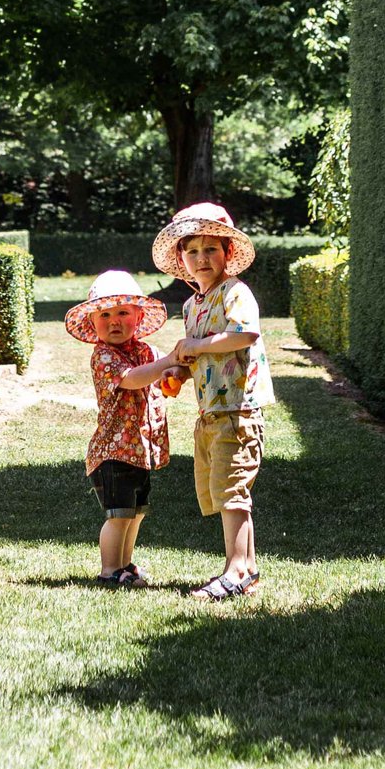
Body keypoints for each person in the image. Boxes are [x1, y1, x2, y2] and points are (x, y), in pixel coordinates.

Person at [151, 201, 275, 601]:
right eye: (192, 251)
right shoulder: (192, 305)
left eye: (210, 249)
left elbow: (244, 336)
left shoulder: (234, 292)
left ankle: (236, 571)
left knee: (232, 490)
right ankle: (248, 569)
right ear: (181, 259)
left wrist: (197, 345)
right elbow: (199, 355)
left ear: (226, 253)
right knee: (222, 491)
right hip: (210, 410)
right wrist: (179, 371)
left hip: (238, 408)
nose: (201, 258)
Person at [64, 269, 176, 587]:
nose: (114, 321)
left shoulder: (146, 351)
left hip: (139, 450)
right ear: (93, 322)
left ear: (138, 316)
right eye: (105, 314)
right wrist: (166, 362)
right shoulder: (103, 356)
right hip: (113, 451)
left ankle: (126, 564)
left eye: (123, 312)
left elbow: (160, 378)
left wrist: (173, 373)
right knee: (119, 514)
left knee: (136, 512)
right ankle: (109, 569)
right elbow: (133, 378)